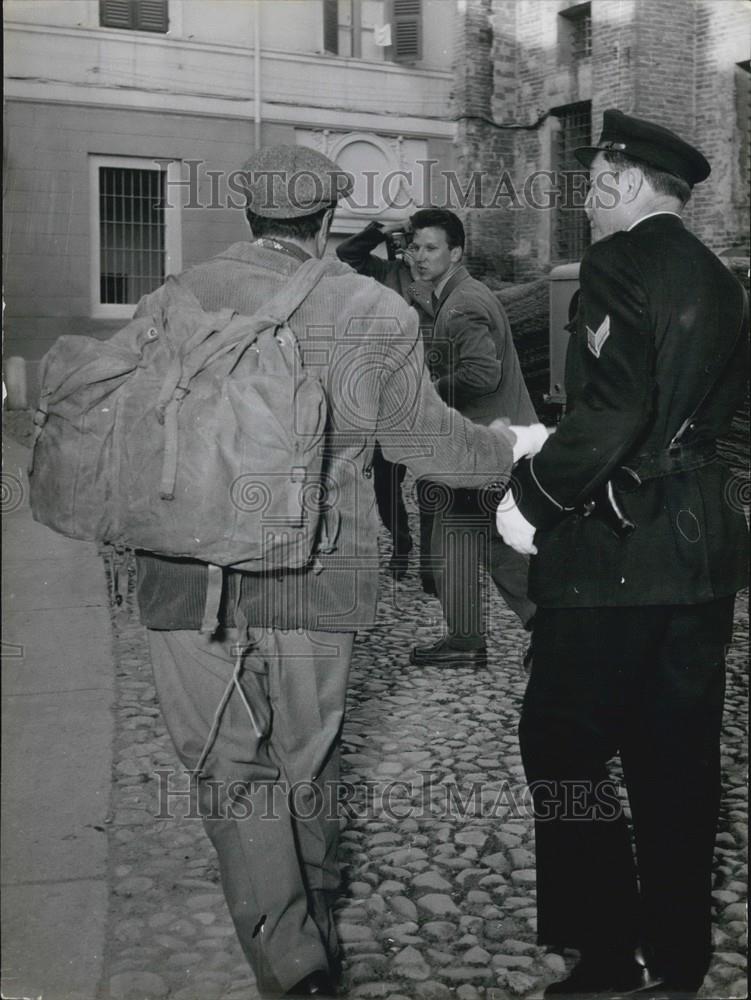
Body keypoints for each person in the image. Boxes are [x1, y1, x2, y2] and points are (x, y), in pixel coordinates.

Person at [135, 145, 546, 999]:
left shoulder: (172, 298)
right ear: (325, 222)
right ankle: (315, 922)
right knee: (307, 755)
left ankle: (291, 964)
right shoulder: (371, 307)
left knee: (229, 767)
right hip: (314, 574)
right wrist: (514, 447)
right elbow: (425, 446)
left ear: (245, 215)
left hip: (185, 574)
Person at [496, 110, 749, 997]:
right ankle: (675, 960)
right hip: (700, 557)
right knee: (675, 759)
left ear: (632, 185)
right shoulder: (717, 276)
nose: (587, 202)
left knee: (560, 747)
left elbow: (611, 414)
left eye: (596, 185)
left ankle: (605, 953)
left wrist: (527, 497)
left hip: (615, 550)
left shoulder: (617, 263)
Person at [406, 208, 538, 669]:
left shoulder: (461, 302)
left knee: (459, 541)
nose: (419, 257)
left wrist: (428, 394)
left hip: (484, 445)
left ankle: (488, 639)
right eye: (414, 248)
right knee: (478, 540)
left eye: (431, 248)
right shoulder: (459, 294)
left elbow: (482, 373)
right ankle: (509, 635)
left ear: (455, 252)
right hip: (489, 441)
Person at [336, 220, 434, 581]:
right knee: (385, 483)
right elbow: (347, 253)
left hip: (425, 396)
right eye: (401, 242)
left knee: (429, 482)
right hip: (387, 397)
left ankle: (430, 565)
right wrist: (379, 229)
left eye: (411, 243)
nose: (406, 250)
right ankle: (402, 543)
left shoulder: (437, 280)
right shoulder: (382, 272)